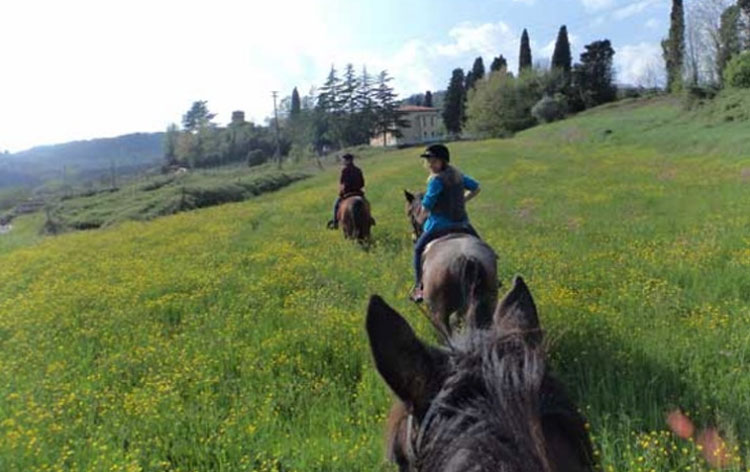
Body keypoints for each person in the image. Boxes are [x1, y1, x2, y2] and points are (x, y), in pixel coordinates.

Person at [410, 144, 481, 303]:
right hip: (462, 223)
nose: (430, 165)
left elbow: (427, 204)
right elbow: (476, 187)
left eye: (434, 161)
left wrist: (422, 213)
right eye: (429, 161)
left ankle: (419, 287)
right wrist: (463, 200)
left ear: (443, 161)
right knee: (481, 244)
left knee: (417, 250)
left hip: (439, 226)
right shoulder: (458, 175)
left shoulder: (436, 180)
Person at [327, 153, 366, 230]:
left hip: (347, 193)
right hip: (358, 192)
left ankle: (335, 223)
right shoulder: (358, 170)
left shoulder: (344, 170)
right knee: (366, 204)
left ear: (347, 161)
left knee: (335, 205)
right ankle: (369, 218)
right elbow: (362, 183)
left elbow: (342, 183)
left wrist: (341, 192)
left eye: (344, 160)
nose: (343, 162)